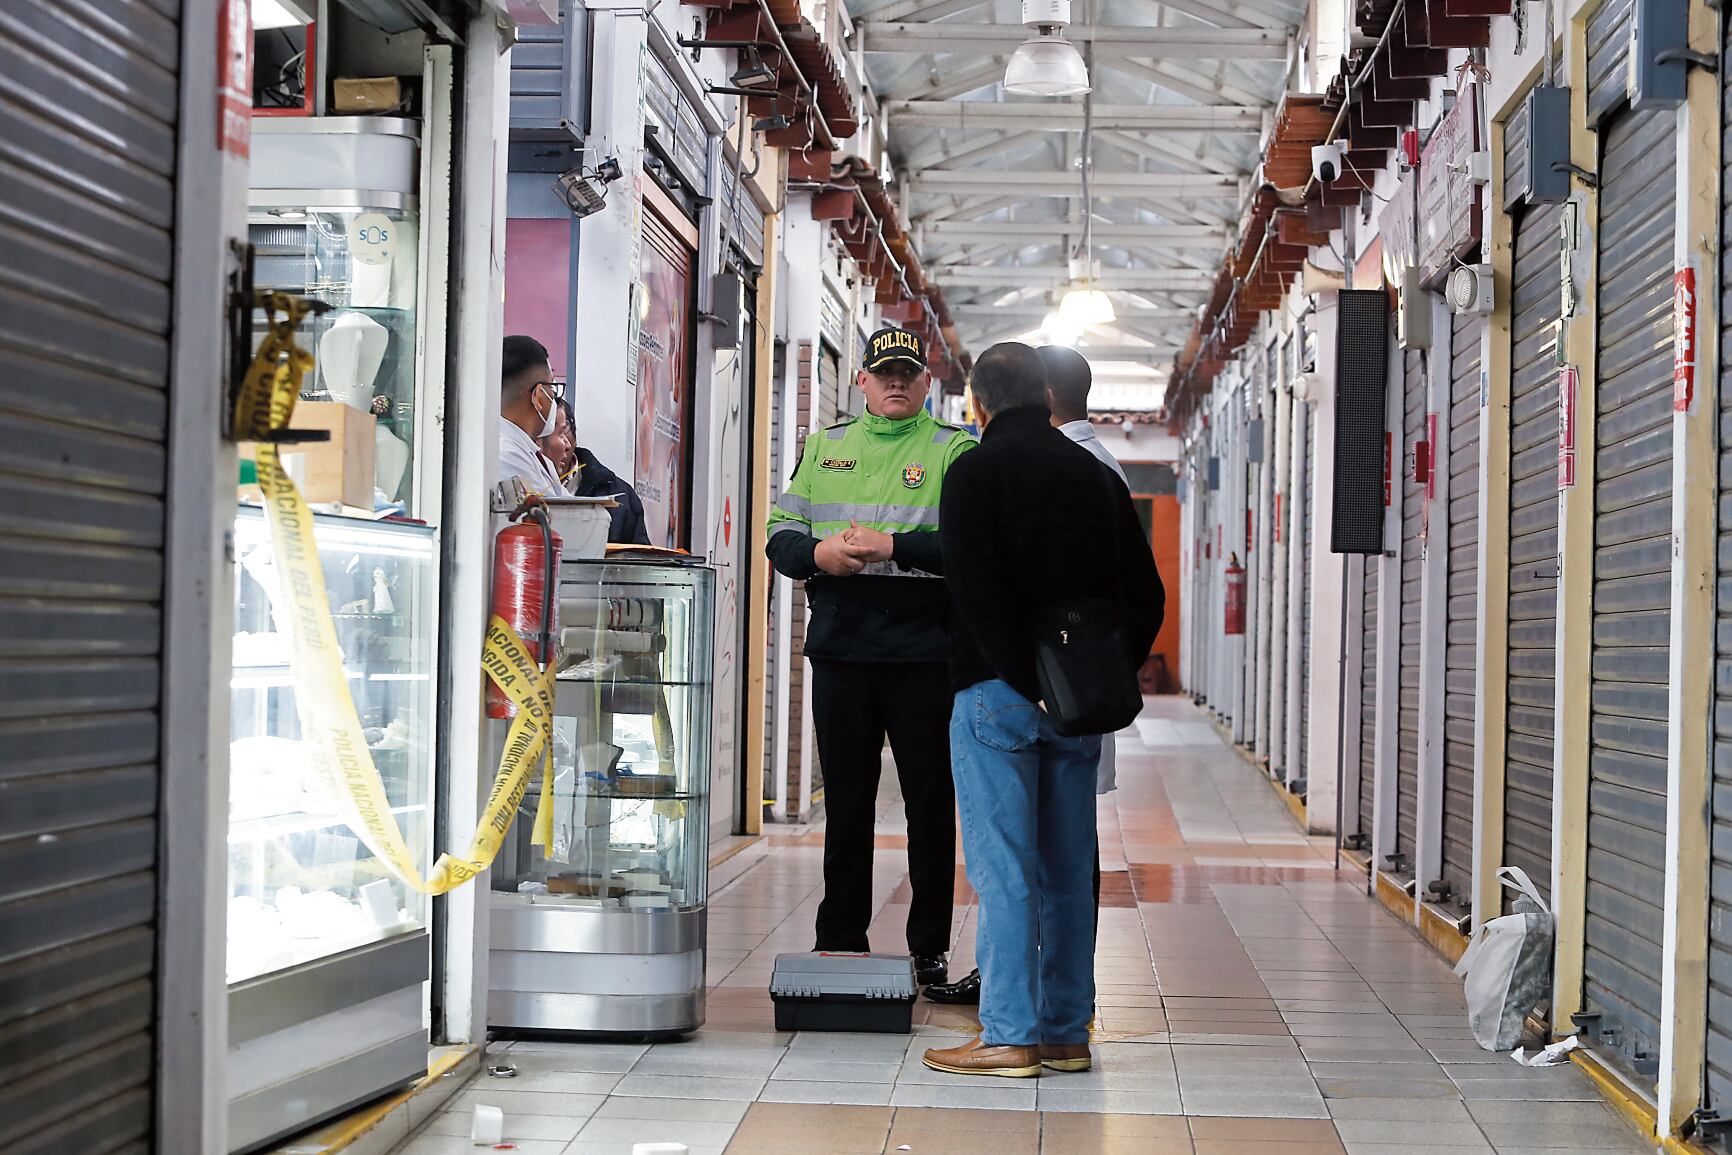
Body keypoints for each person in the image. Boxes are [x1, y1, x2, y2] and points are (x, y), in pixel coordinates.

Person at [922, 342, 1162, 1078]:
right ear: (1048, 400)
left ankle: (1008, 1033)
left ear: (979, 404)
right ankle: (1064, 1031)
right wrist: (1100, 669)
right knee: (1066, 867)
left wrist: (1020, 674)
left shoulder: (973, 471)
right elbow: (1145, 593)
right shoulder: (1093, 476)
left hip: (995, 694)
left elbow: (974, 589)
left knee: (1004, 870)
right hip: (1075, 700)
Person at [764, 326, 976, 986]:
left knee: (930, 806)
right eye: (883, 371)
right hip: (842, 649)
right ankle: (840, 938)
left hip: (922, 655)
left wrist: (893, 545)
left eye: (907, 373)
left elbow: (969, 548)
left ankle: (929, 947)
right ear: (860, 380)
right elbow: (780, 534)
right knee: (847, 804)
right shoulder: (825, 446)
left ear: (924, 384)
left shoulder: (954, 450)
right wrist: (820, 555)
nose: (894, 382)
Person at [543, 397, 653, 545]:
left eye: (562, 430)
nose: (564, 444)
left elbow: (639, 560)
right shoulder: (518, 482)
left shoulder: (619, 494)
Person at [498, 335, 567, 497]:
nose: (554, 397)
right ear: (538, 396)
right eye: (552, 388)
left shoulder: (535, 457)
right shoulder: (507, 454)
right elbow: (552, 517)